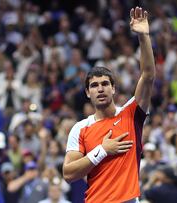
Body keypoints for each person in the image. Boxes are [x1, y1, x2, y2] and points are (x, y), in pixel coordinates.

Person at [63, 7, 155, 203]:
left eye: (105, 83)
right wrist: (102, 151)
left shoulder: (132, 114)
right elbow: (68, 173)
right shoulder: (80, 129)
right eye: (94, 86)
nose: (100, 89)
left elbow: (147, 76)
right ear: (88, 93)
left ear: (113, 89)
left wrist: (143, 37)